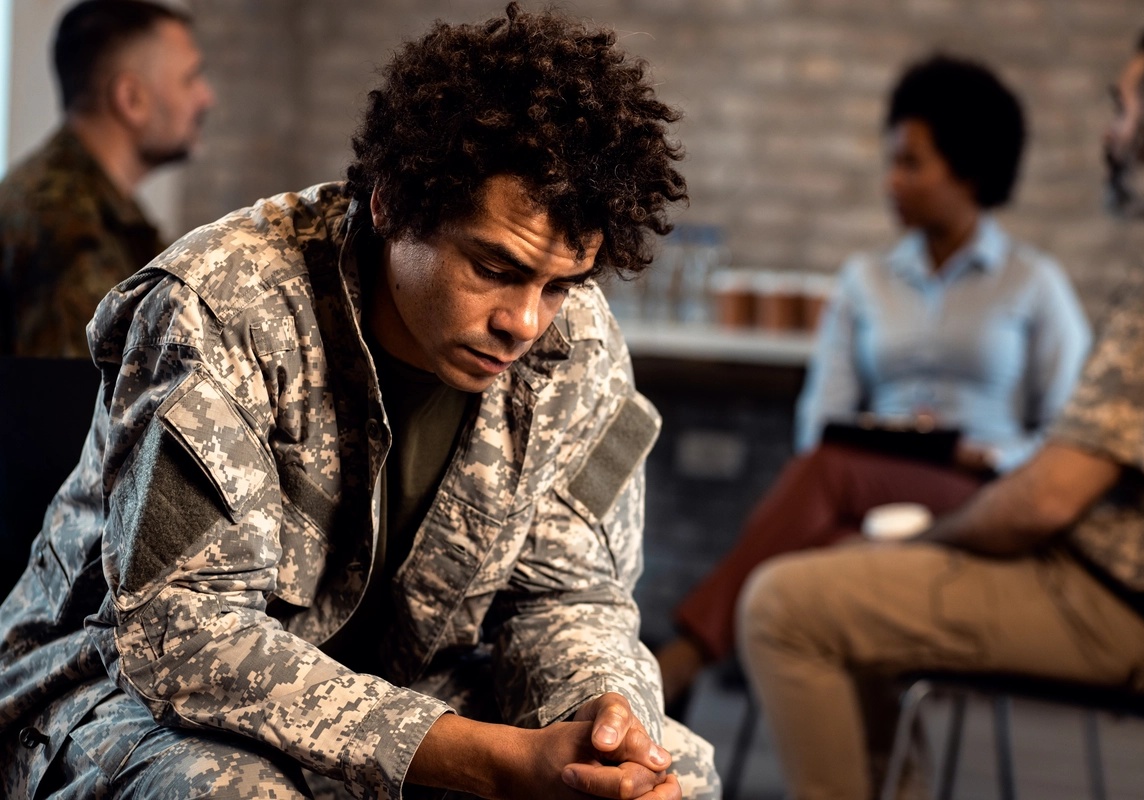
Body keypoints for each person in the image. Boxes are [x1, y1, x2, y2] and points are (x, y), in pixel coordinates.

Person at [0, 5, 720, 799]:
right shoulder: (221, 307)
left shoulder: (572, 339)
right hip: (115, 685)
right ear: (391, 206)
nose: (524, 321)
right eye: (493, 267)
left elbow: (568, 596)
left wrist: (603, 718)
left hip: (399, 689)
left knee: (671, 770)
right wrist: (489, 760)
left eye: (559, 283)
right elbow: (188, 636)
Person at [738, 9, 1144, 799]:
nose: (1108, 134)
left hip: (1112, 601)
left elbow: (1049, 492)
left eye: (1120, 109)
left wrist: (930, 541)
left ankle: (680, 655)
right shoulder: (867, 278)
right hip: (1111, 584)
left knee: (782, 605)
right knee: (835, 509)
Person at [655, 55, 1092, 708]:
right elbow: (819, 419)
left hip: (976, 493)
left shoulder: (1035, 285)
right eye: (891, 161)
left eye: (911, 163)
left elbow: (1068, 431)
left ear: (968, 168)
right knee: (832, 526)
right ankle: (885, 771)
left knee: (826, 479)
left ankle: (683, 659)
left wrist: (992, 455)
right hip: (865, 484)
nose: (891, 181)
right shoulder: (865, 280)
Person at [0, 0, 214, 358]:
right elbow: (80, 398)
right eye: (190, 78)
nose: (206, 97)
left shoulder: (93, 206)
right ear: (132, 99)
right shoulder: (64, 224)